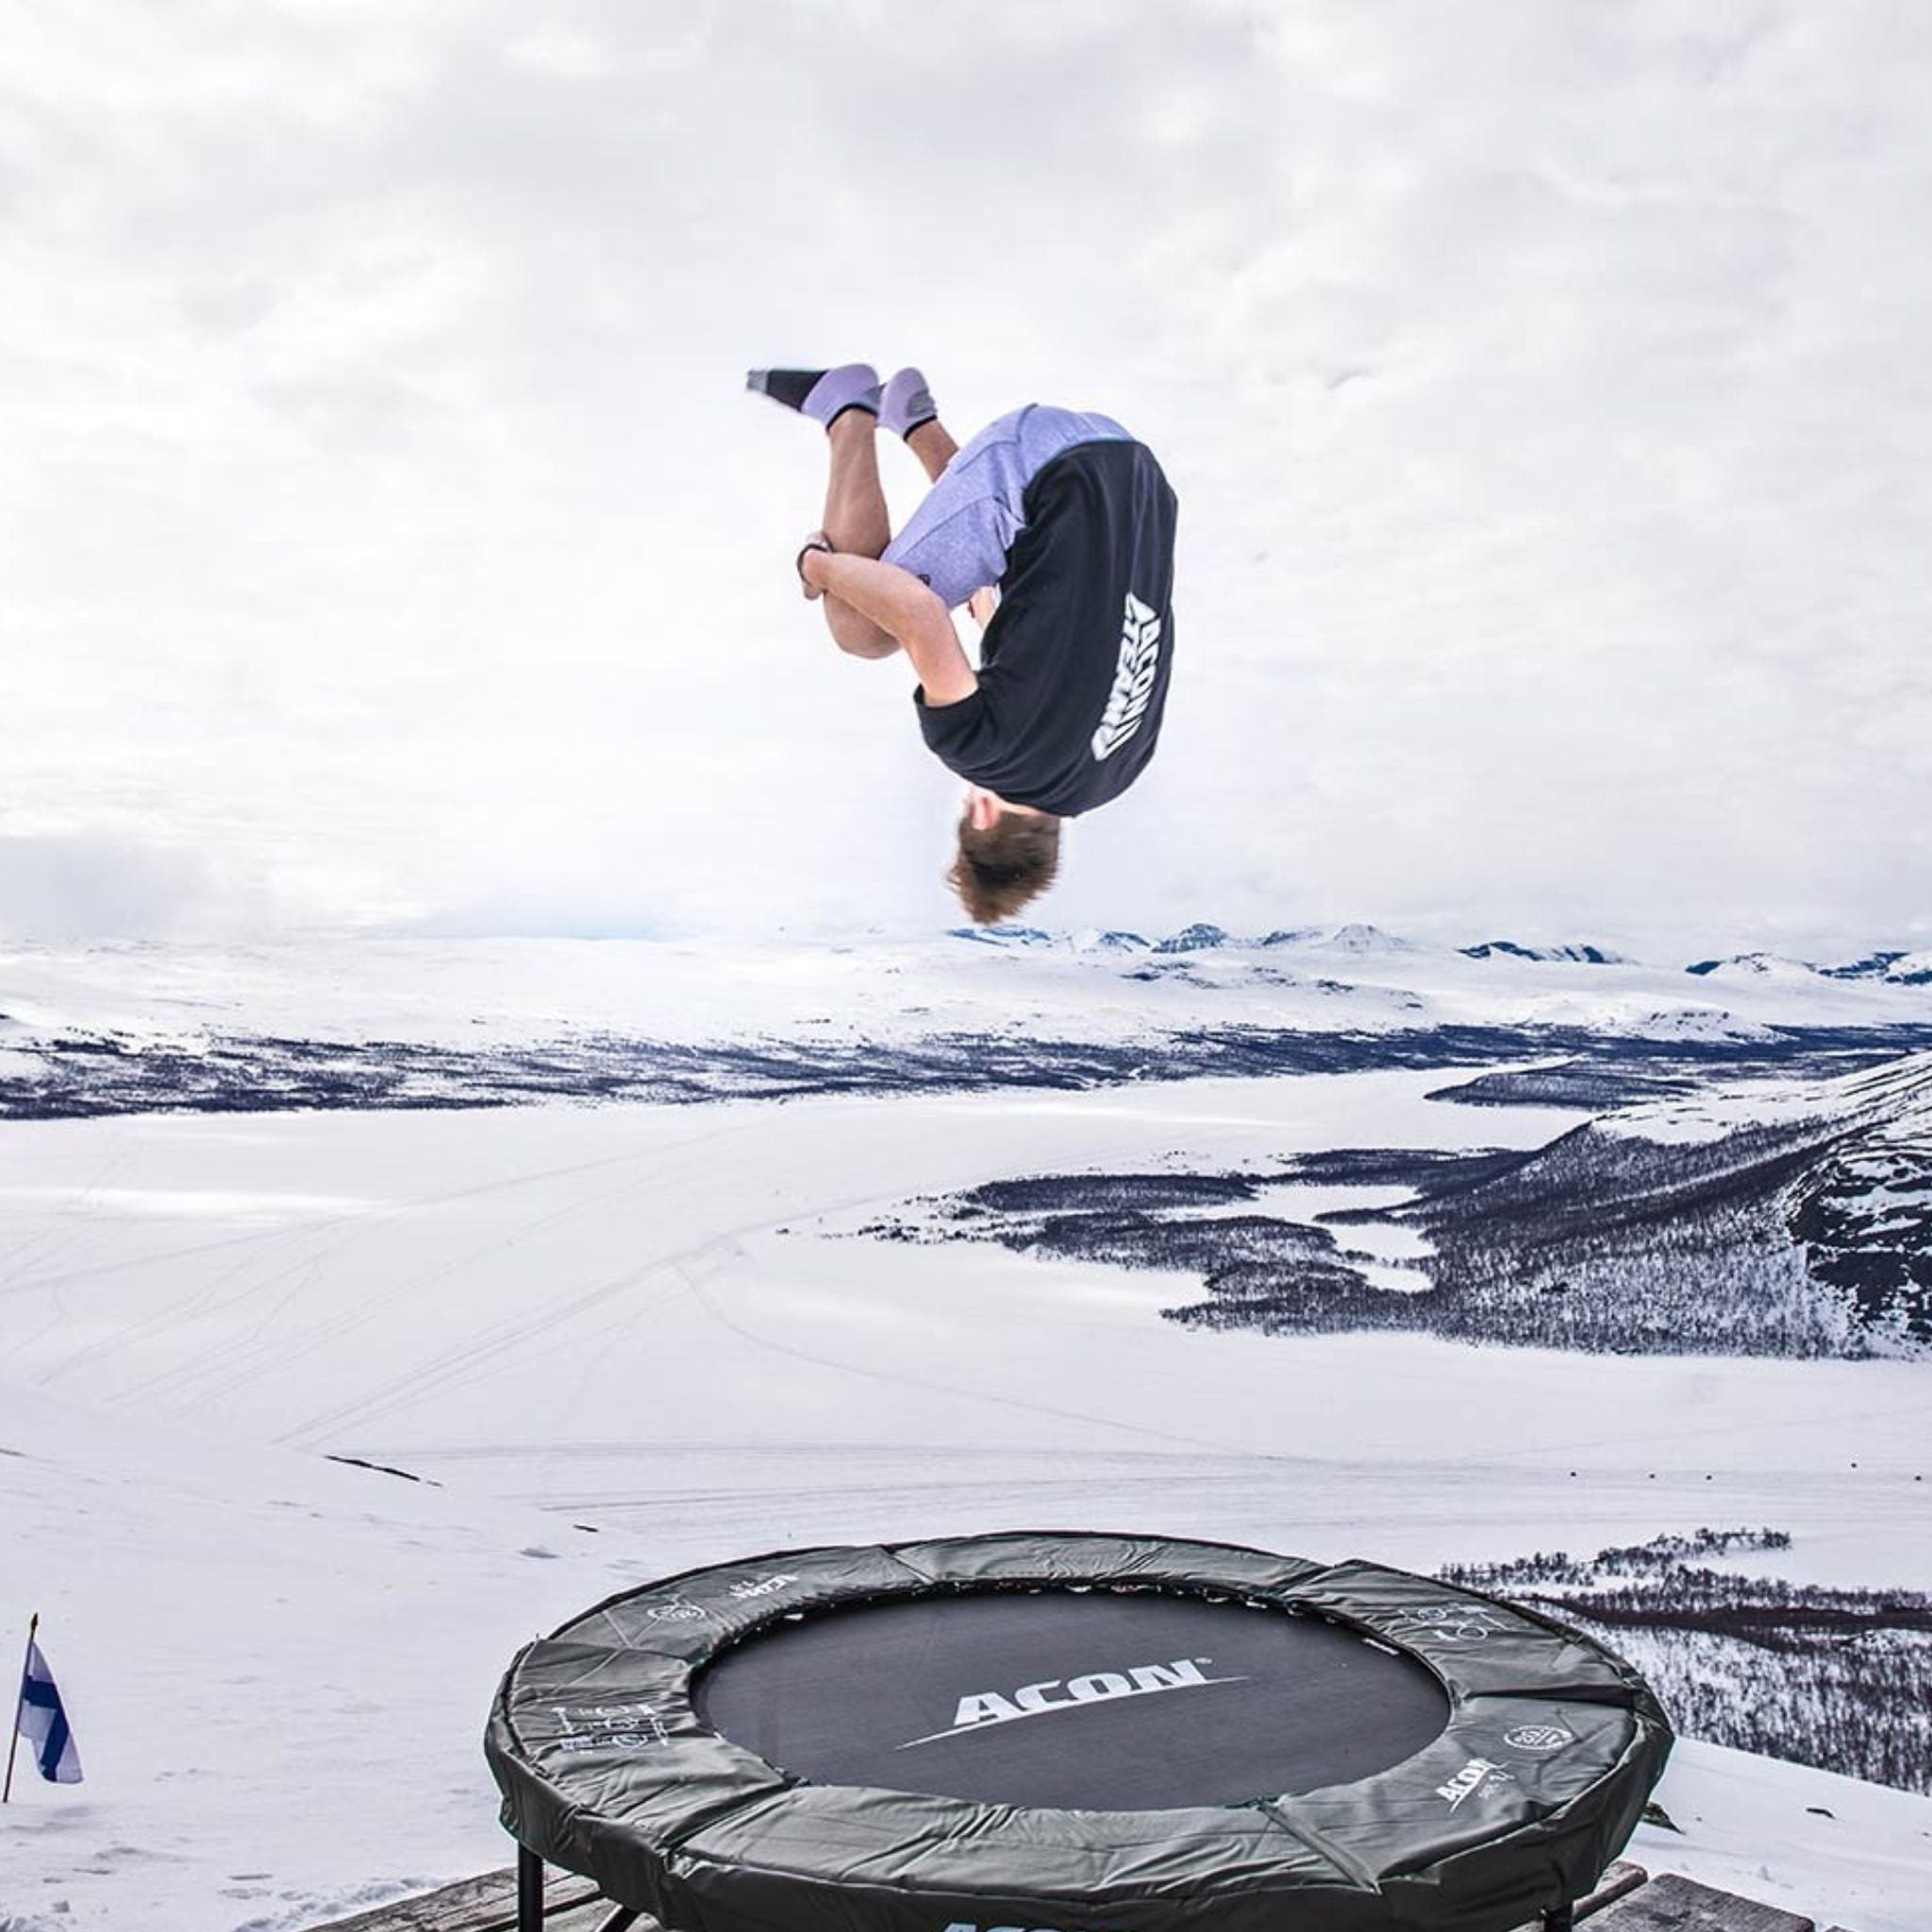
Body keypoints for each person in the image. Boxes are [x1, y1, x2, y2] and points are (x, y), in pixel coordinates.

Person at [747, 364, 1178, 924]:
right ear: (979, 816)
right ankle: (846, 408)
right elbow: (919, 614)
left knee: (985, 581)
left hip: (1132, 474)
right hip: (1047, 466)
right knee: (864, 630)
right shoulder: (985, 753)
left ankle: (913, 417)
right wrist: (818, 568)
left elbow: (1091, 648)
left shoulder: (1117, 771)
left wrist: (995, 623)